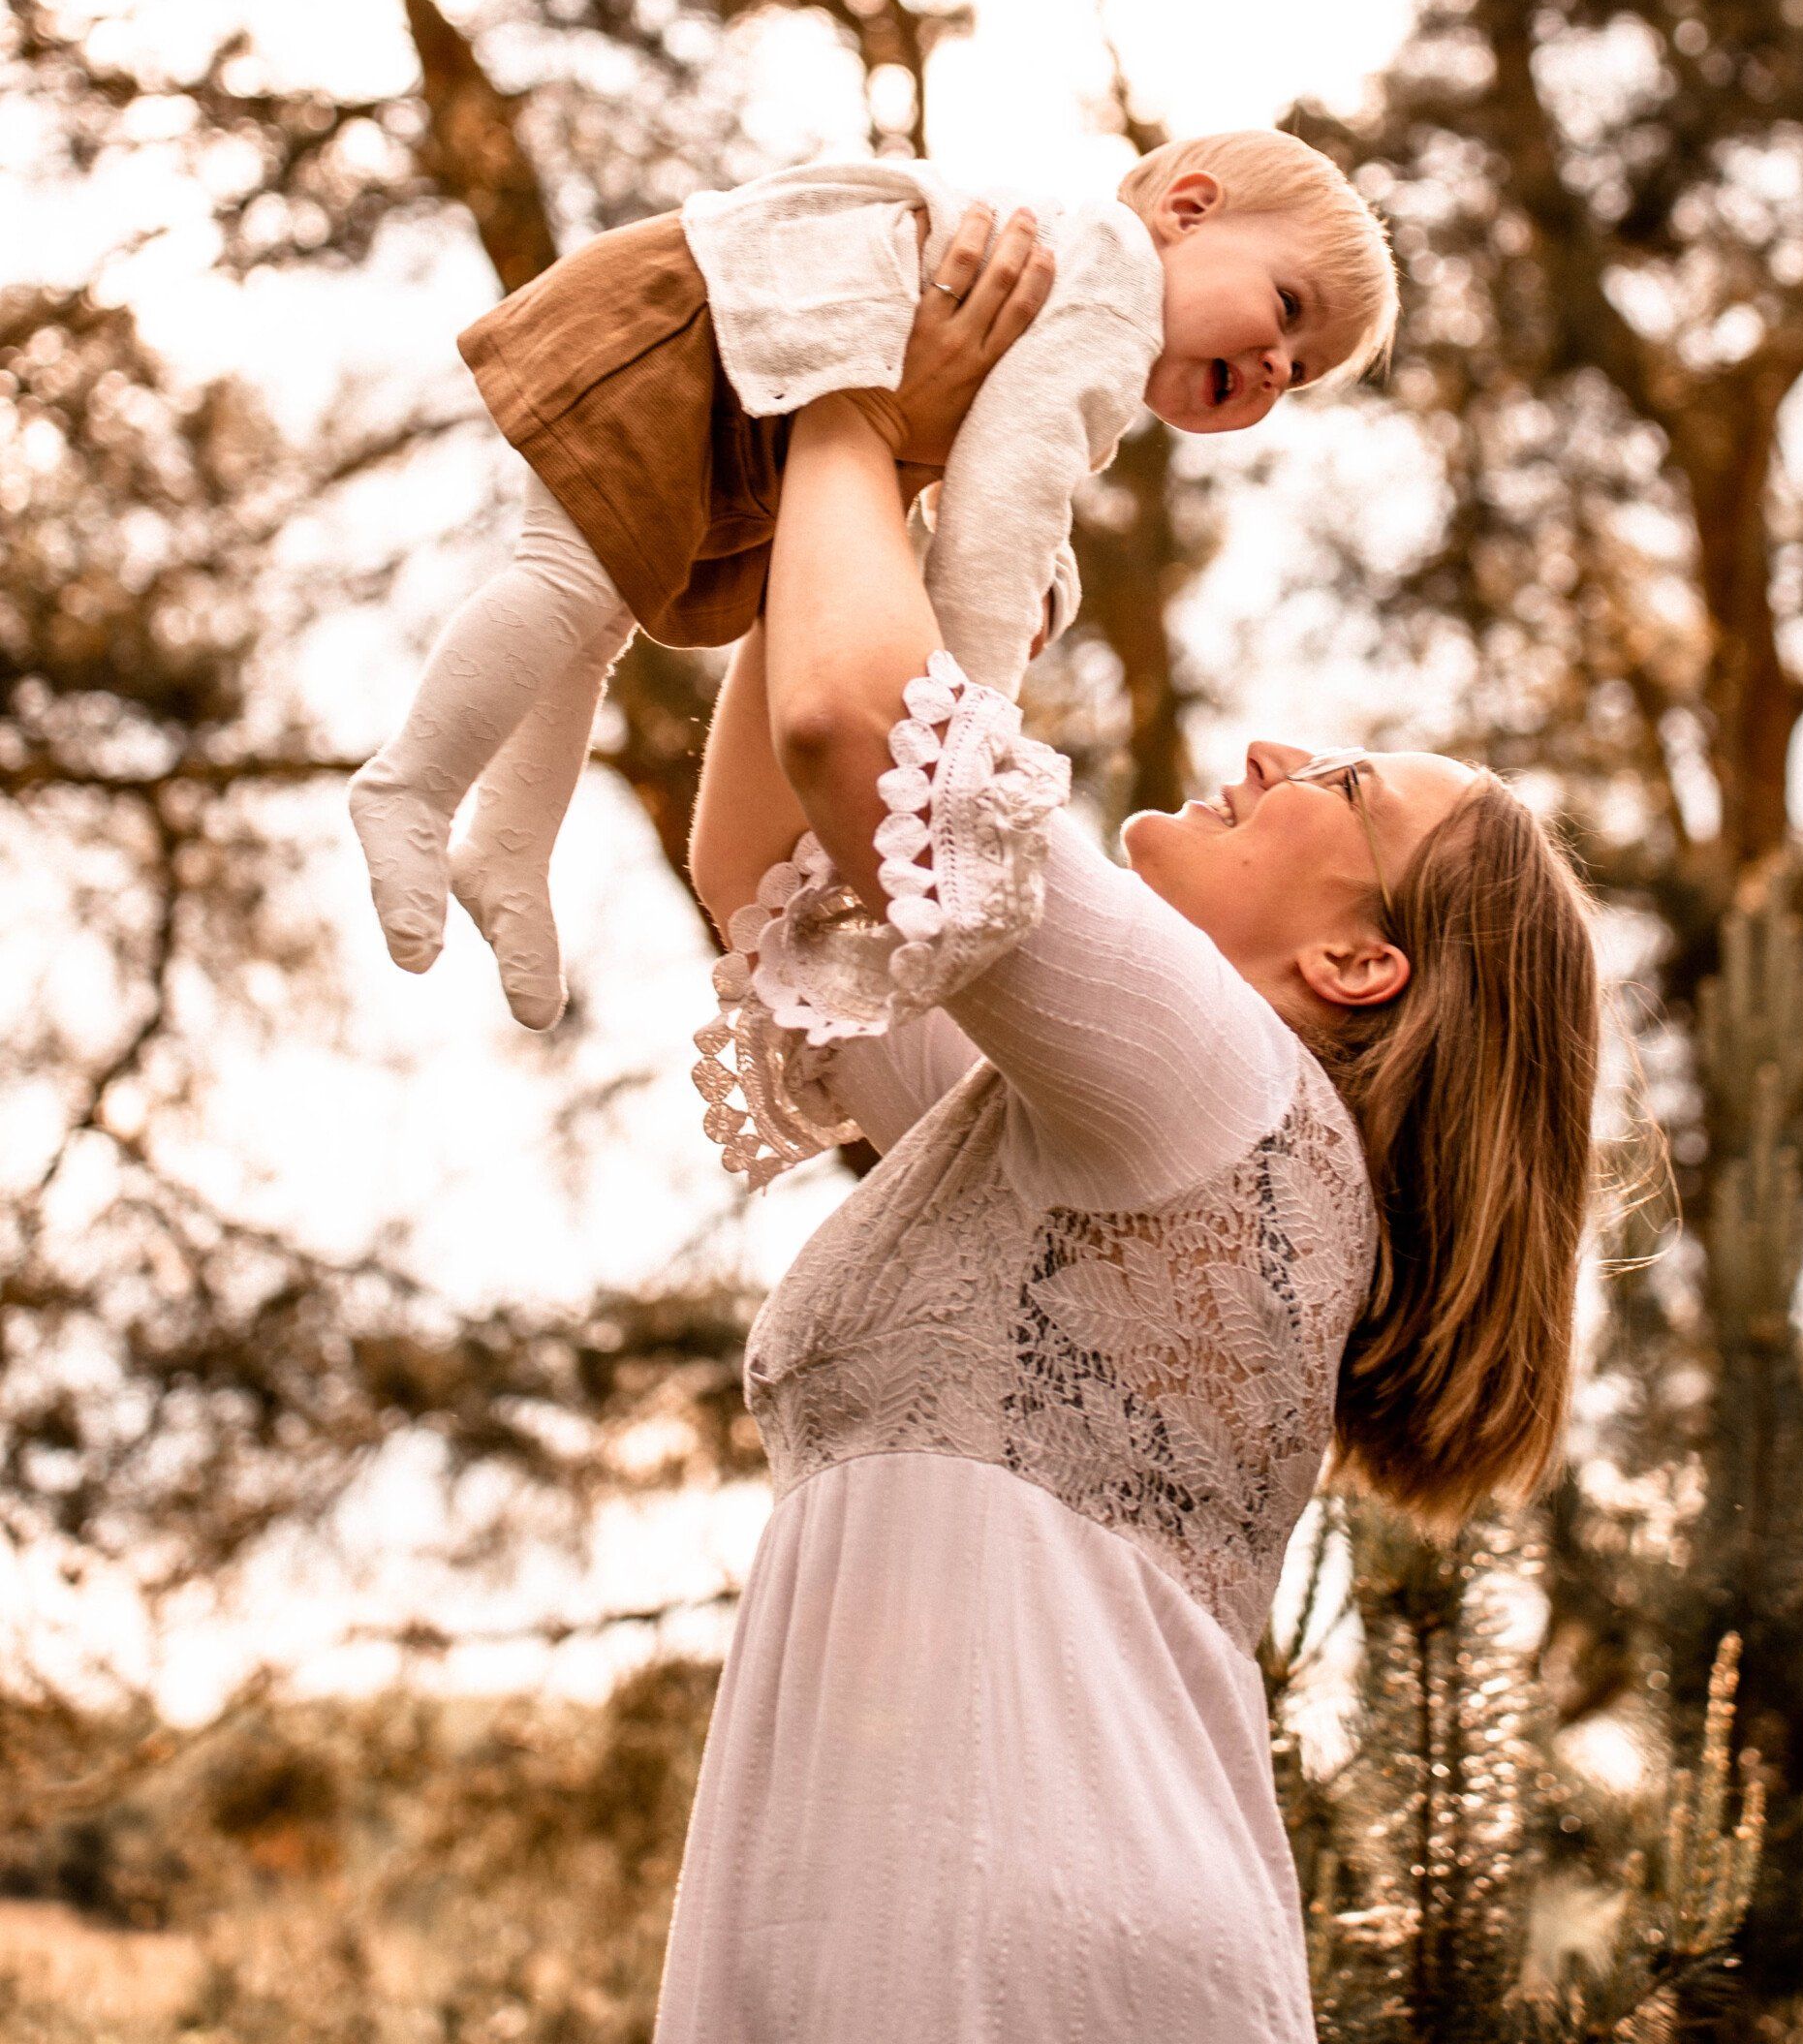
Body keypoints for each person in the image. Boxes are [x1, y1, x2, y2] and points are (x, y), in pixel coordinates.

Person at [658, 227, 1600, 2043]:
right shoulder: (1102, 1123)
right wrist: (895, 472)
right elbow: (769, 869)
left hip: (1014, 1938)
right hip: (961, 1919)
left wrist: (854, 379)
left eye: (1340, 785)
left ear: (1358, 964)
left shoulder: (1223, 1084)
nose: (1269, 754)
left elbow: (856, 726)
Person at [348, 132, 1396, 1029]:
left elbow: (1004, 470)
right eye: (1287, 307)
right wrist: (964, 732)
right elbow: (1005, 494)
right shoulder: (1114, 289)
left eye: (1299, 373)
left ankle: (508, 848)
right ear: (1188, 210)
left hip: (745, 362)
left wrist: (1043, 584)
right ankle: (409, 788)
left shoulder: (1088, 302)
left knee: (591, 620)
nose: (1276, 366)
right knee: (567, 581)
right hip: (705, 325)